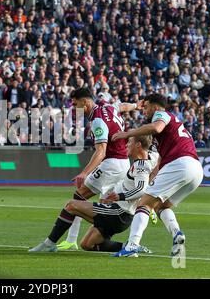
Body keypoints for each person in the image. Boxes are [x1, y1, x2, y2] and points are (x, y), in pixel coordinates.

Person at [29, 88, 142, 252]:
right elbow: (122, 106)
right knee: (106, 204)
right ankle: (119, 243)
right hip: (123, 163)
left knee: (79, 196)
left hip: (112, 163)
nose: (73, 108)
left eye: (75, 104)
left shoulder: (97, 120)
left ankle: (60, 241)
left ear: (85, 102)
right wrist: (135, 105)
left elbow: (101, 151)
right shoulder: (107, 107)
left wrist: (84, 173)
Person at [112, 94, 203, 257]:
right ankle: (177, 234)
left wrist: (128, 133)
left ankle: (132, 245)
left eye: (146, 107)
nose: (144, 111)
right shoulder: (171, 129)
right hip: (196, 170)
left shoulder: (161, 115)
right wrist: (151, 182)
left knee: (144, 204)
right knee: (161, 206)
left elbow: (156, 127)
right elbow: (159, 163)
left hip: (179, 164)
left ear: (155, 107)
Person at [42, 135, 158, 254]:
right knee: (87, 244)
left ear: (138, 145)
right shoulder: (145, 161)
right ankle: (129, 246)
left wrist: (120, 196)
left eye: (129, 142)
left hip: (119, 213)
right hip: (121, 215)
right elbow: (158, 157)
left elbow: (141, 189)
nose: (126, 145)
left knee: (71, 206)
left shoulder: (141, 166)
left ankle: (49, 244)